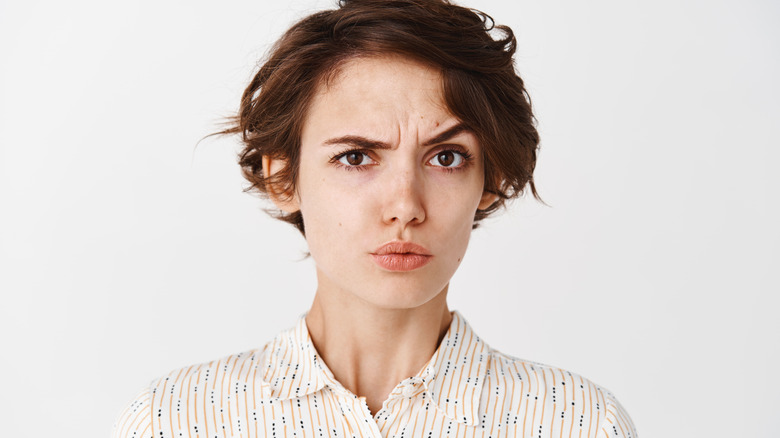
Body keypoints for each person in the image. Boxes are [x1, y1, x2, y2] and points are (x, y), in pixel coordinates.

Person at [112, 0, 636, 437]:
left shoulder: (578, 422)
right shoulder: (178, 420)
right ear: (283, 179)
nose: (405, 206)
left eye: (446, 157)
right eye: (357, 157)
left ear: (489, 180)